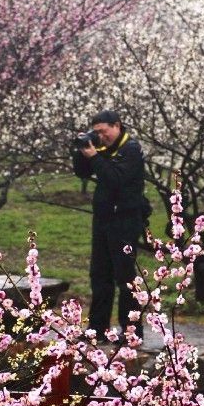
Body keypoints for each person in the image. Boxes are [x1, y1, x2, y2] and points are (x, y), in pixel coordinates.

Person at [71, 109, 149, 338]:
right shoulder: (102, 149)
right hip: (103, 218)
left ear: (117, 126)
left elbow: (115, 179)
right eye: (96, 132)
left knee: (125, 276)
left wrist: (95, 156)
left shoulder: (131, 149)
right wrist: (81, 151)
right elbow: (82, 172)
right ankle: (97, 328)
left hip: (125, 220)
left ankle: (132, 331)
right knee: (99, 275)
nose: (100, 137)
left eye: (103, 132)